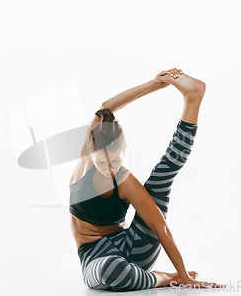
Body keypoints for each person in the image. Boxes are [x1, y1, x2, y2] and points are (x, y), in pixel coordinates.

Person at [69, 68, 226, 291]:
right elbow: (106, 107)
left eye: (115, 161)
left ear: (124, 150)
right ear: (90, 154)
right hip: (96, 259)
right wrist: (154, 84)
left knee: (162, 177)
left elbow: (161, 228)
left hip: (133, 249)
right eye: (101, 163)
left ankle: (193, 99)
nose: (109, 169)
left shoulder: (124, 181)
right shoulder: (83, 165)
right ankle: (162, 278)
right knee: (112, 270)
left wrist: (186, 275)